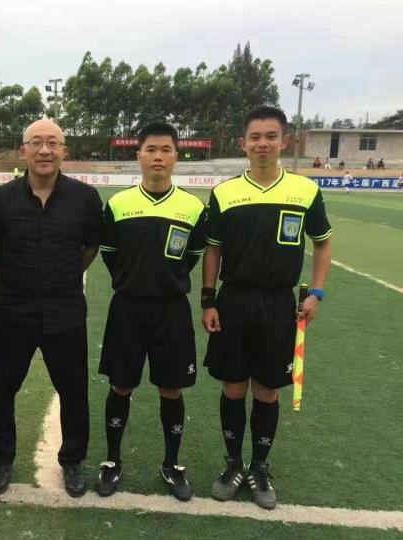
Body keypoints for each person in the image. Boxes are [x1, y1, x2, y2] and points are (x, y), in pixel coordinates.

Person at [201, 106, 332, 510]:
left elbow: (323, 242)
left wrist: (316, 293)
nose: (263, 144)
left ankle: (259, 466)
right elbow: (213, 249)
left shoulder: (304, 191)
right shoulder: (225, 193)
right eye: (255, 137)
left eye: (271, 136)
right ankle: (233, 464)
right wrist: (208, 298)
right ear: (243, 144)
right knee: (233, 386)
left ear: (285, 142)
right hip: (234, 301)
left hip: (278, 303)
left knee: (267, 389)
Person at [0, 119, 102, 497]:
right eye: (36, 143)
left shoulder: (86, 199)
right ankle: (2, 459)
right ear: (23, 151)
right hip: (12, 312)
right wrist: (9, 291)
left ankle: (73, 461)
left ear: (64, 151)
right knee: (1, 390)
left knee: (74, 391)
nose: (45, 150)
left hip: (65, 313)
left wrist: (63, 277)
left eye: (53, 143)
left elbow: (90, 247)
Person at [95, 122, 206, 501]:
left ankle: (171, 464)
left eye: (166, 150)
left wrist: (165, 280)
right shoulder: (118, 204)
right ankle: (112, 460)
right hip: (127, 308)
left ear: (177, 156)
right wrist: (134, 279)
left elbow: (193, 255)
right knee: (120, 385)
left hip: (172, 310)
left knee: (171, 388)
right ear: (138, 155)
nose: (158, 157)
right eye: (151, 150)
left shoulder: (193, 207)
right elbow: (110, 253)